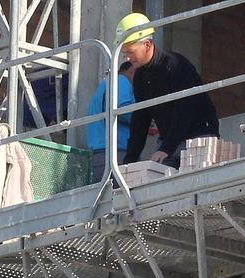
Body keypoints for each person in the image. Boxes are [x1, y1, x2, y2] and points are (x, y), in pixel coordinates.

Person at [116, 12, 218, 168]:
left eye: (130, 52)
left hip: (199, 136)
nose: (127, 58)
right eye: (125, 53)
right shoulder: (140, 77)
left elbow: (185, 110)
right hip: (170, 141)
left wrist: (166, 148)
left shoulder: (175, 65)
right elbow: (140, 120)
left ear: (147, 45)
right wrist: (128, 163)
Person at [85, 60, 135, 179]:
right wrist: (143, 120)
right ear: (133, 71)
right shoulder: (121, 81)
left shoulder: (107, 84)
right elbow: (122, 111)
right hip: (116, 153)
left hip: (101, 154)